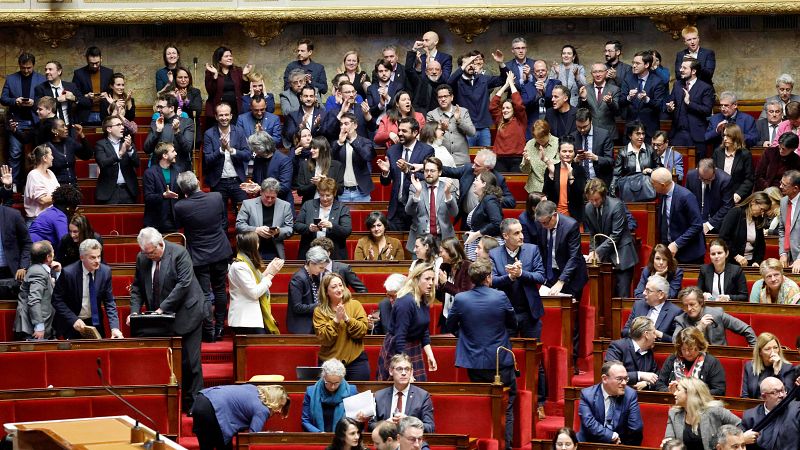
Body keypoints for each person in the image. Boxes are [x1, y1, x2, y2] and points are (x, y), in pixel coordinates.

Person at [128, 227, 205, 411]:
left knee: (190, 362)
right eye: (145, 253)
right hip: (160, 318)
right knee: (165, 363)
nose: (149, 256)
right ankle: (171, 404)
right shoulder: (143, 258)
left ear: (161, 244)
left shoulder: (179, 253)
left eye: (152, 252)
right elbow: (137, 287)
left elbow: (183, 284)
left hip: (188, 313)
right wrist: (134, 312)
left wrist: (162, 308)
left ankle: (194, 405)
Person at [447, 257, 517, 450]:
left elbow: (450, 325)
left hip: (474, 360)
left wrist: (467, 337)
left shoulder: (461, 299)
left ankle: (486, 443)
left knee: (482, 405)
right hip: (499, 360)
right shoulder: (500, 296)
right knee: (506, 406)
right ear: (488, 277)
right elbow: (513, 324)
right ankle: (505, 446)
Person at [489, 217, 547, 416]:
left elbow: (541, 276)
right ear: (505, 236)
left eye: (521, 231)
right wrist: (510, 277)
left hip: (530, 313)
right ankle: (512, 402)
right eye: (516, 233)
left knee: (536, 359)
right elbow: (492, 281)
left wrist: (522, 274)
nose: (521, 236)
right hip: (505, 316)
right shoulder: (494, 254)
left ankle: (540, 403)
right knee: (506, 359)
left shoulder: (532, 250)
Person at [175, 171, 234, 342]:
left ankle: (208, 331)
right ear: (198, 182)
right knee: (220, 290)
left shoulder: (180, 206)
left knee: (205, 294)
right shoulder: (216, 197)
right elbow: (223, 219)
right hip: (220, 250)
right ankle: (219, 328)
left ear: (183, 190)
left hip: (199, 255)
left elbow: (179, 226)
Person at [377, 263, 438, 382]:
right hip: (399, 350)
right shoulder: (405, 302)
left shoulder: (422, 298)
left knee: (416, 391)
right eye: (427, 279)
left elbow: (424, 330)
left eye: (433, 279)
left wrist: (430, 355)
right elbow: (400, 338)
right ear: (416, 279)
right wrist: (405, 369)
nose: (431, 283)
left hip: (414, 346)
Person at [51, 239, 121, 340]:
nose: (97, 261)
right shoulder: (68, 273)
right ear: (82, 257)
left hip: (95, 323)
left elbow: (109, 301)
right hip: (71, 323)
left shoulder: (105, 272)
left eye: (99, 256)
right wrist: (73, 319)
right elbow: (56, 300)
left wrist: (115, 327)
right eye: (92, 257)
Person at [377, 117, 434, 231]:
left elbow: (428, 178)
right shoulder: (392, 151)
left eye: (404, 131)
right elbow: (385, 182)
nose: (400, 134)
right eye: (399, 130)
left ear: (415, 132)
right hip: (396, 208)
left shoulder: (427, 151)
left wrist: (408, 171)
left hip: (416, 207)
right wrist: (385, 172)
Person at [584, 178, 638, 297]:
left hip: (622, 255)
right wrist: (592, 251)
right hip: (605, 257)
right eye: (591, 200)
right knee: (605, 297)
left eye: (596, 199)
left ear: (603, 195)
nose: (594, 203)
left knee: (622, 297)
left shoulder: (616, 205)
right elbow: (593, 234)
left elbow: (616, 234)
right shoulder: (588, 208)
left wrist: (597, 252)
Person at [193, 384, 289, 450]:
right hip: (213, 410)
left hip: (201, 399)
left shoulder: (253, 388)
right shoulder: (262, 410)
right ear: (274, 399)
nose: (280, 411)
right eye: (280, 405)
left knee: (206, 447)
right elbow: (252, 438)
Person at [664, 379, 750, 450]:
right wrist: (667, 443)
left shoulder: (716, 411)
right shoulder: (674, 414)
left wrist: (739, 439)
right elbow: (669, 440)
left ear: (690, 393)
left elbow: (742, 427)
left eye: (678, 390)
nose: (674, 393)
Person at [2, 52, 46, 190]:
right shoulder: (11, 79)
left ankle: (37, 185)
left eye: (29, 68)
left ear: (33, 65)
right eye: (23, 68)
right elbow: (3, 98)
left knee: (38, 154)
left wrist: (34, 103)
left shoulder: (41, 79)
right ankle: (13, 183)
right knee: (15, 153)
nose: (26, 71)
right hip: (17, 121)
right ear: (19, 66)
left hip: (36, 121)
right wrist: (15, 101)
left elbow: (47, 99)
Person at [314, 272, 369, 380]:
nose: (339, 289)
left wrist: (347, 319)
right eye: (334, 287)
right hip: (330, 363)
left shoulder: (355, 305)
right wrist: (336, 320)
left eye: (341, 285)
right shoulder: (319, 311)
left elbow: (362, 331)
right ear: (326, 291)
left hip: (355, 361)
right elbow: (325, 339)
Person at [442, 148, 516, 229]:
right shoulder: (468, 169)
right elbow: (449, 171)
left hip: (485, 222)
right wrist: (433, 166)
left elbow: (511, 202)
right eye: (474, 163)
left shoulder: (498, 179)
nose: (473, 166)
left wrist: (492, 197)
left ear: (487, 168)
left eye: (477, 165)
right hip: (466, 219)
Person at [576, 360, 643, 445]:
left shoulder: (630, 395)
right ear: (605, 379)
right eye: (619, 379)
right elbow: (589, 423)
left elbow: (636, 427)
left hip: (619, 445)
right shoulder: (587, 395)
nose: (624, 383)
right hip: (591, 443)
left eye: (626, 378)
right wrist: (610, 436)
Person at [227, 232, 281, 336]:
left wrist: (269, 269)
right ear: (251, 245)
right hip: (245, 319)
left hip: (251, 318)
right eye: (257, 242)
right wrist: (271, 274)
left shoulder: (247, 263)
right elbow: (255, 292)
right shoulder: (240, 266)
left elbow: (256, 282)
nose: (258, 244)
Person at [448, 51, 504, 148]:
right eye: (467, 63)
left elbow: (503, 79)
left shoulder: (482, 79)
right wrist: (465, 63)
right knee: (467, 159)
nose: (470, 66)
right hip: (466, 127)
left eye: (472, 63)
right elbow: (449, 83)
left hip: (483, 127)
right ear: (461, 66)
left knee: (486, 158)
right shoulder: (457, 82)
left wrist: (501, 63)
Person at [203, 102, 251, 216]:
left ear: (231, 116)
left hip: (237, 181)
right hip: (218, 182)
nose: (224, 118)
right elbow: (208, 159)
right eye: (221, 115)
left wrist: (231, 150)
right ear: (216, 116)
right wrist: (221, 150)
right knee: (220, 218)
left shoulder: (238, 131)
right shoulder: (209, 134)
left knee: (244, 215)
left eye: (226, 115)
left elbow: (247, 155)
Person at [368, 353, 435, 432]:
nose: (403, 373)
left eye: (407, 369)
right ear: (391, 371)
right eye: (399, 369)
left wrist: (409, 422)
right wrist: (385, 425)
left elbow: (430, 427)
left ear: (411, 372)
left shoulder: (422, 396)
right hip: (387, 440)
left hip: (411, 441)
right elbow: (371, 425)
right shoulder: (379, 396)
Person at [652, 167, 706, 264]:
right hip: (670, 252)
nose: (651, 185)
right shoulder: (662, 194)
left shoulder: (686, 197)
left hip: (689, 254)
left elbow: (697, 225)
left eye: (653, 183)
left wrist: (677, 244)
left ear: (663, 185)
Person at [405, 157, 458, 254]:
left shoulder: (448, 188)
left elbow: (454, 213)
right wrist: (417, 193)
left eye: (432, 171)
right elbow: (409, 211)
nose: (429, 173)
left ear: (440, 172)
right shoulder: (415, 186)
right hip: (420, 240)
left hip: (443, 239)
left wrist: (447, 194)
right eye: (426, 171)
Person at [674, 287, 756, 347]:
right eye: (685, 305)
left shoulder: (717, 314)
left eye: (692, 304)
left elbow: (746, 329)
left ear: (701, 302)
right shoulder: (681, 320)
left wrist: (754, 354)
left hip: (718, 358)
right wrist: (699, 328)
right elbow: (675, 342)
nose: (688, 309)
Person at [664, 58, 714, 157]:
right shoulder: (677, 84)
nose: (681, 70)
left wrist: (689, 103)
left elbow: (707, 110)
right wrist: (669, 108)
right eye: (681, 67)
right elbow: (671, 102)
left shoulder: (705, 87)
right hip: (677, 133)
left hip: (696, 135)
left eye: (684, 68)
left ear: (693, 71)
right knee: (675, 165)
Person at [655, 327, 726, 396]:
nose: (687, 353)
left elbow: (719, 390)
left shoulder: (711, 362)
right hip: (675, 402)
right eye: (683, 349)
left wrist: (693, 393)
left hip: (701, 405)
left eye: (690, 349)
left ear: (699, 346)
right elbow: (659, 384)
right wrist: (671, 391)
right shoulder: (672, 359)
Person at [235, 178, 294, 260]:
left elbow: (289, 229)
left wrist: (278, 232)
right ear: (261, 192)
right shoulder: (248, 204)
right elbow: (239, 226)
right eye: (267, 197)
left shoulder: (285, 206)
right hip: (252, 249)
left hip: (274, 249)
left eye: (273, 197)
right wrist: (256, 230)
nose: (269, 200)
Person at [295, 178, 352, 260]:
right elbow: (297, 225)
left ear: (334, 194)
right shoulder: (308, 205)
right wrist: (309, 228)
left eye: (328, 195)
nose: (325, 198)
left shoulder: (342, 208)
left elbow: (347, 231)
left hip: (335, 254)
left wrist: (331, 225)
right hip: (310, 252)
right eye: (321, 195)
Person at [14, 241, 60, 340]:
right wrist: (39, 326)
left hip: (41, 326)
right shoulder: (38, 272)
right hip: (33, 330)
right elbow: (34, 300)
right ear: (48, 257)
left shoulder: (39, 269)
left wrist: (59, 272)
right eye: (52, 250)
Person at [741, 377, 799, 450]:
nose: (781, 395)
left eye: (783, 390)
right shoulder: (750, 416)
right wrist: (742, 439)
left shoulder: (797, 409)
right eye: (775, 392)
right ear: (764, 397)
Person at [619, 51, 666, 141]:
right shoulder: (628, 79)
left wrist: (647, 99)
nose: (634, 66)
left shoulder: (657, 81)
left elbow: (659, 106)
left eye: (637, 63)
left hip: (649, 131)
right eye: (633, 63)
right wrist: (628, 98)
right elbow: (620, 101)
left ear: (647, 65)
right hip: (631, 130)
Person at [302, 358, 358, 432]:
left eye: (336, 383)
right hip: (318, 437)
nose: (332, 386)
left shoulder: (352, 391)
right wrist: (319, 433)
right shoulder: (311, 392)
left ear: (341, 379)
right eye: (328, 382)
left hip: (343, 438)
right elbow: (305, 421)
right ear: (323, 377)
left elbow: (355, 421)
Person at [425, 84, 474, 167]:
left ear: (452, 97)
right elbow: (428, 137)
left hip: (462, 161)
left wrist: (459, 120)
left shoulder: (463, 111)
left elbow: (472, 132)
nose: (443, 99)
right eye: (440, 97)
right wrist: (442, 129)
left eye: (445, 96)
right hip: (442, 161)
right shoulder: (431, 114)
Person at [144, 93, 195, 172]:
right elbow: (147, 149)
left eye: (161, 107)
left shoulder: (186, 122)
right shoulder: (156, 122)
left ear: (171, 108)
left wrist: (177, 131)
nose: (158, 110)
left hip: (179, 170)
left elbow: (187, 148)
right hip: (158, 171)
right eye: (158, 107)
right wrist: (158, 131)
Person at [623, 275, 682, 343]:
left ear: (661, 295)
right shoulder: (638, 305)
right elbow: (625, 331)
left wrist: (660, 335)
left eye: (648, 291)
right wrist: (639, 332)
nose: (644, 293)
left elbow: (677, 341)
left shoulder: (675, 312)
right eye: (645, 289)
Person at [332, 112, 376, 203]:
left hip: (361, 191)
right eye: (341, 124)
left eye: (346, 124)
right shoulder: (337, 143)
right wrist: (339, 143)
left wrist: (352, 141)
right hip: (342, 192)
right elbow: (330, 160)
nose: (342, 127)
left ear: (355, 125)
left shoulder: (365, 142)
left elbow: (367, 156)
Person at [94, 115, 138, 204]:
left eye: (122, 124)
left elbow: (137, 164)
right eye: (118, 125)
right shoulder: (100, 145)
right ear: (109, 129)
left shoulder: (128, 143)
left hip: (128, 190)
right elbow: (103, 163)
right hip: (109, 192)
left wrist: (129, 150)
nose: (122, 127)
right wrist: (120, 154)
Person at [606, 316, 658, 390]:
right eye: (654, 333)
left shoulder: (648, 351)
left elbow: (656, 375)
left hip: (643, 397)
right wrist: (639, 375)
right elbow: (611, 373)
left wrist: (647, 383)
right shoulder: (618, 347)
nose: (655, 337)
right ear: (646, 334)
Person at [610, 121, 660, 198]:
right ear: (630, 136)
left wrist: (652, 171)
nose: (641, 137)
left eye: (643, 133)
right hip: (628, 189)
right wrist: (612, 192)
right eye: (638, 134)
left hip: (647, 188)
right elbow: (617, 174)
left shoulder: (650, 150)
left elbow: (659, 168)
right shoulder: (623, 152)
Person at [718, 192, 769, 267]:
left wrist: (757, 262)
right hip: (732, 262)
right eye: (761, 209)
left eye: (764, 211)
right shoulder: (735, 212)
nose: (762, 213)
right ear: (753, 202)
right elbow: (723, 238)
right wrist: (736, 255)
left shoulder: (758, 219)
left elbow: (761, 245)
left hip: (751, 263)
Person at [542, 136, 586, 222]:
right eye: (564, 151)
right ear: (558, 152)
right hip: (554, 215)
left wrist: (571, 177)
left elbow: (580, 194)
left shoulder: (579, 170)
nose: (567, 154)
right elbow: (546, 193)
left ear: (574, 153)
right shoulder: (552, 168)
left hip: (574, 215)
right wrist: (551, 174)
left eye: (570, 151)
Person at [287, 246, 329, 334]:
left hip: (314, 322)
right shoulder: (298, 278)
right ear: (311, 263)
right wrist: (320, 306)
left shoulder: (314, 275)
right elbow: (297, 307)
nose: (322, 271)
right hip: (302, 326)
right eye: (321, 267)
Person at [204, 46, 251, 126]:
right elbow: (211, 92)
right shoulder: (210, 72)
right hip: (219, 111)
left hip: (235, 110)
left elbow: (246, 90)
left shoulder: (238, 71)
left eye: (230, 56)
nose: (230, 58)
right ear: (219, 60)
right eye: (226, 56)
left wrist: (244, 76)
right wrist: (215, 75)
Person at [685, 159, 734, 235]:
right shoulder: (691, 175)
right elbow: (687, 200)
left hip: (716, 222)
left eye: (709, 179)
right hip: (695, 220)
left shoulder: (725, 180)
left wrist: (709, 225)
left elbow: (727, 206)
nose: (705, 182)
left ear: (715, 170)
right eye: (702, 178)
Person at [28, 184, 81, 254]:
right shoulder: (60, 217)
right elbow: (64, 242)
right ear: (69, 206)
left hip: (31, 249)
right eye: (74, 207)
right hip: (36, 252)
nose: (75, 210)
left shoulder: (49, 211)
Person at [463, 171, 504, 260]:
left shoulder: (490, 199)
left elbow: (497, 223)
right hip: (479, 246)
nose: (473, 182)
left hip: (487, 247)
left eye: (476, 180)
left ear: (484, 183)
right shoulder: (483, 200)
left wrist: (476, 234)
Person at [490, 71, 527, 172]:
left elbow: (518, 105)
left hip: (517, 159)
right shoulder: (500, 119)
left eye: (508, 108)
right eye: (503, 108)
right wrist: (505, 85)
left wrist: (511, 84)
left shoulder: (520, 120)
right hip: (500, 160)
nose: (505, 110)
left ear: (513, 110)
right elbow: (493, 105)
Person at [244, 130, 293, 204]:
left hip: (281, 204)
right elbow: (256, 180)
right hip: (263, 203)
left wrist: (261, 188)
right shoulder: (258, 159)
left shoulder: (284, 160)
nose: (254, 152)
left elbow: (284, 187)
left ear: (263, 148)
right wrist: (252, 186)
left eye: (256, 149)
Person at [742, 333, 796, 399]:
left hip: (779, 407)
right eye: (768, 349)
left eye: (775, 348)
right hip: (755, 407)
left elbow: (787, 395)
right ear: (760, 352)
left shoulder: (788, 368)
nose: (773, 352)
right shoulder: (750, 366)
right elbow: (745, 396)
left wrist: (777, 372)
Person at [143, 142, 181, 233]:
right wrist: (163, 195)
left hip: (173, 219)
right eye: (173, 151)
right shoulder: (150, 173)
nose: (176, 153)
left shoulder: (177, 171)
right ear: (165, 155)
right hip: (155, 221)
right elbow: (148, 197)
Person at [436, 237, 472, 333]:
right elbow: (441, 298)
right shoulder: (444, 267)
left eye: (441, 252)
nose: (440, 255)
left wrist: (445, 284)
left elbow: (465, 296)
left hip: (462, 321)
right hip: (446, 318)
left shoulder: (467, 267)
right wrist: (436, 287)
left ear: (451, 251)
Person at [571, 107, 614, 188]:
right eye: (579, 127)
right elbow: (567, 162)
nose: (582, 130)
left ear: (591, 121)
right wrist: (575, 160)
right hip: (579, 182)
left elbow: (610, 161)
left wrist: (596, 158)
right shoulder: (573, 137)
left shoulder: (603, 135)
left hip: (599, 181)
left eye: (585, 126)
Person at [711, 124, 755, 204]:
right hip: (719, 194)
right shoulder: (718, 152)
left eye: (728, 136)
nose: (725, 139)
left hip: (737, 196)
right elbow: (713, 173)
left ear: (736, 137)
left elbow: (749, 179)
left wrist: (739, 194)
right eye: (724, 135)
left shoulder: (745, 154)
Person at [295, 136, 344, 205]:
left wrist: (327, 182)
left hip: (331, 206)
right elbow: (300, 191)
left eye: (314, 148)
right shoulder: (304, 165)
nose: (311, 150)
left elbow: (340, 191)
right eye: (311, 148)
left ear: (324, 149)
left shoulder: (337, 166)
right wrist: (315, 185)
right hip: (310, 206)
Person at [42, 117, 92, 186]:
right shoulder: (46, 148)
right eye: (63, 126)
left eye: (65, 125)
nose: (66, 128)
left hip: (73, 187)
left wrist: (81, 135)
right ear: (54, 130)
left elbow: (87, 155)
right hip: (56, 188)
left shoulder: (70, 142)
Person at [578, 63, 620, 141]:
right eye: (595, 72)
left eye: (600, 71)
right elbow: (580, 111)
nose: (598, 74)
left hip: (609, 133)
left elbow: (617, 112)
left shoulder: (614, 89)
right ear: (591, 74)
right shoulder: (585, 89)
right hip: (590, 132)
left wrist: (610, 102)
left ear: (606, 72)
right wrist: (583, 99)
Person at [71, 47, 113, 125]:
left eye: (97, 63)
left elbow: (113, 92)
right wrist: (85, 96)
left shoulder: (109, 72)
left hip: (105, 113)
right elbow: (74, 95)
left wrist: (107, 95)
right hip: (85, 114)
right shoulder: (78, 73)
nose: (94, 66)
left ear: (101, 59)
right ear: (87, 60)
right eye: (91, 63)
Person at [34, 60, 80, 128]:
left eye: (50, 69)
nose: (47, 72)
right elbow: (37, 107)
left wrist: (74, 98)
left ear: (59, 71)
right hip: (50, 128)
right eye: (46, 70)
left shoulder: (71, 86)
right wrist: (57, 99)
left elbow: (85, 102)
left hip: (69, 127)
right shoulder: (40, 88)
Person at [522, 120, 560, 194]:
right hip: (534, 188)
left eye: (542, 139)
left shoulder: (558, 143)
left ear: (548, 133)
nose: (539, 142)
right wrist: (526, 163)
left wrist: (546, 160)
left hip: (553, 187)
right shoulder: (530, 144)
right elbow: (525, 171)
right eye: (537, 139)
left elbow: (560, 167)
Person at [23, 144, 60, 221]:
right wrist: (62, 197)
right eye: (51, 155)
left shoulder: (50, 173)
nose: (53, 158)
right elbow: (43, 200)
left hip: (50, 218)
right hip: (37, 220)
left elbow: (58, 191)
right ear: (45, 158)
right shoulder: (33, 175)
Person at [778, 169, 800, 272]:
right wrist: (783, 253)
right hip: (788, 258)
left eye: (784, 185)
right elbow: (782, 230)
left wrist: (799, 259)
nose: (780, 186)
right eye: (781, 183)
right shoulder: (783, 202)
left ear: (795, 188)